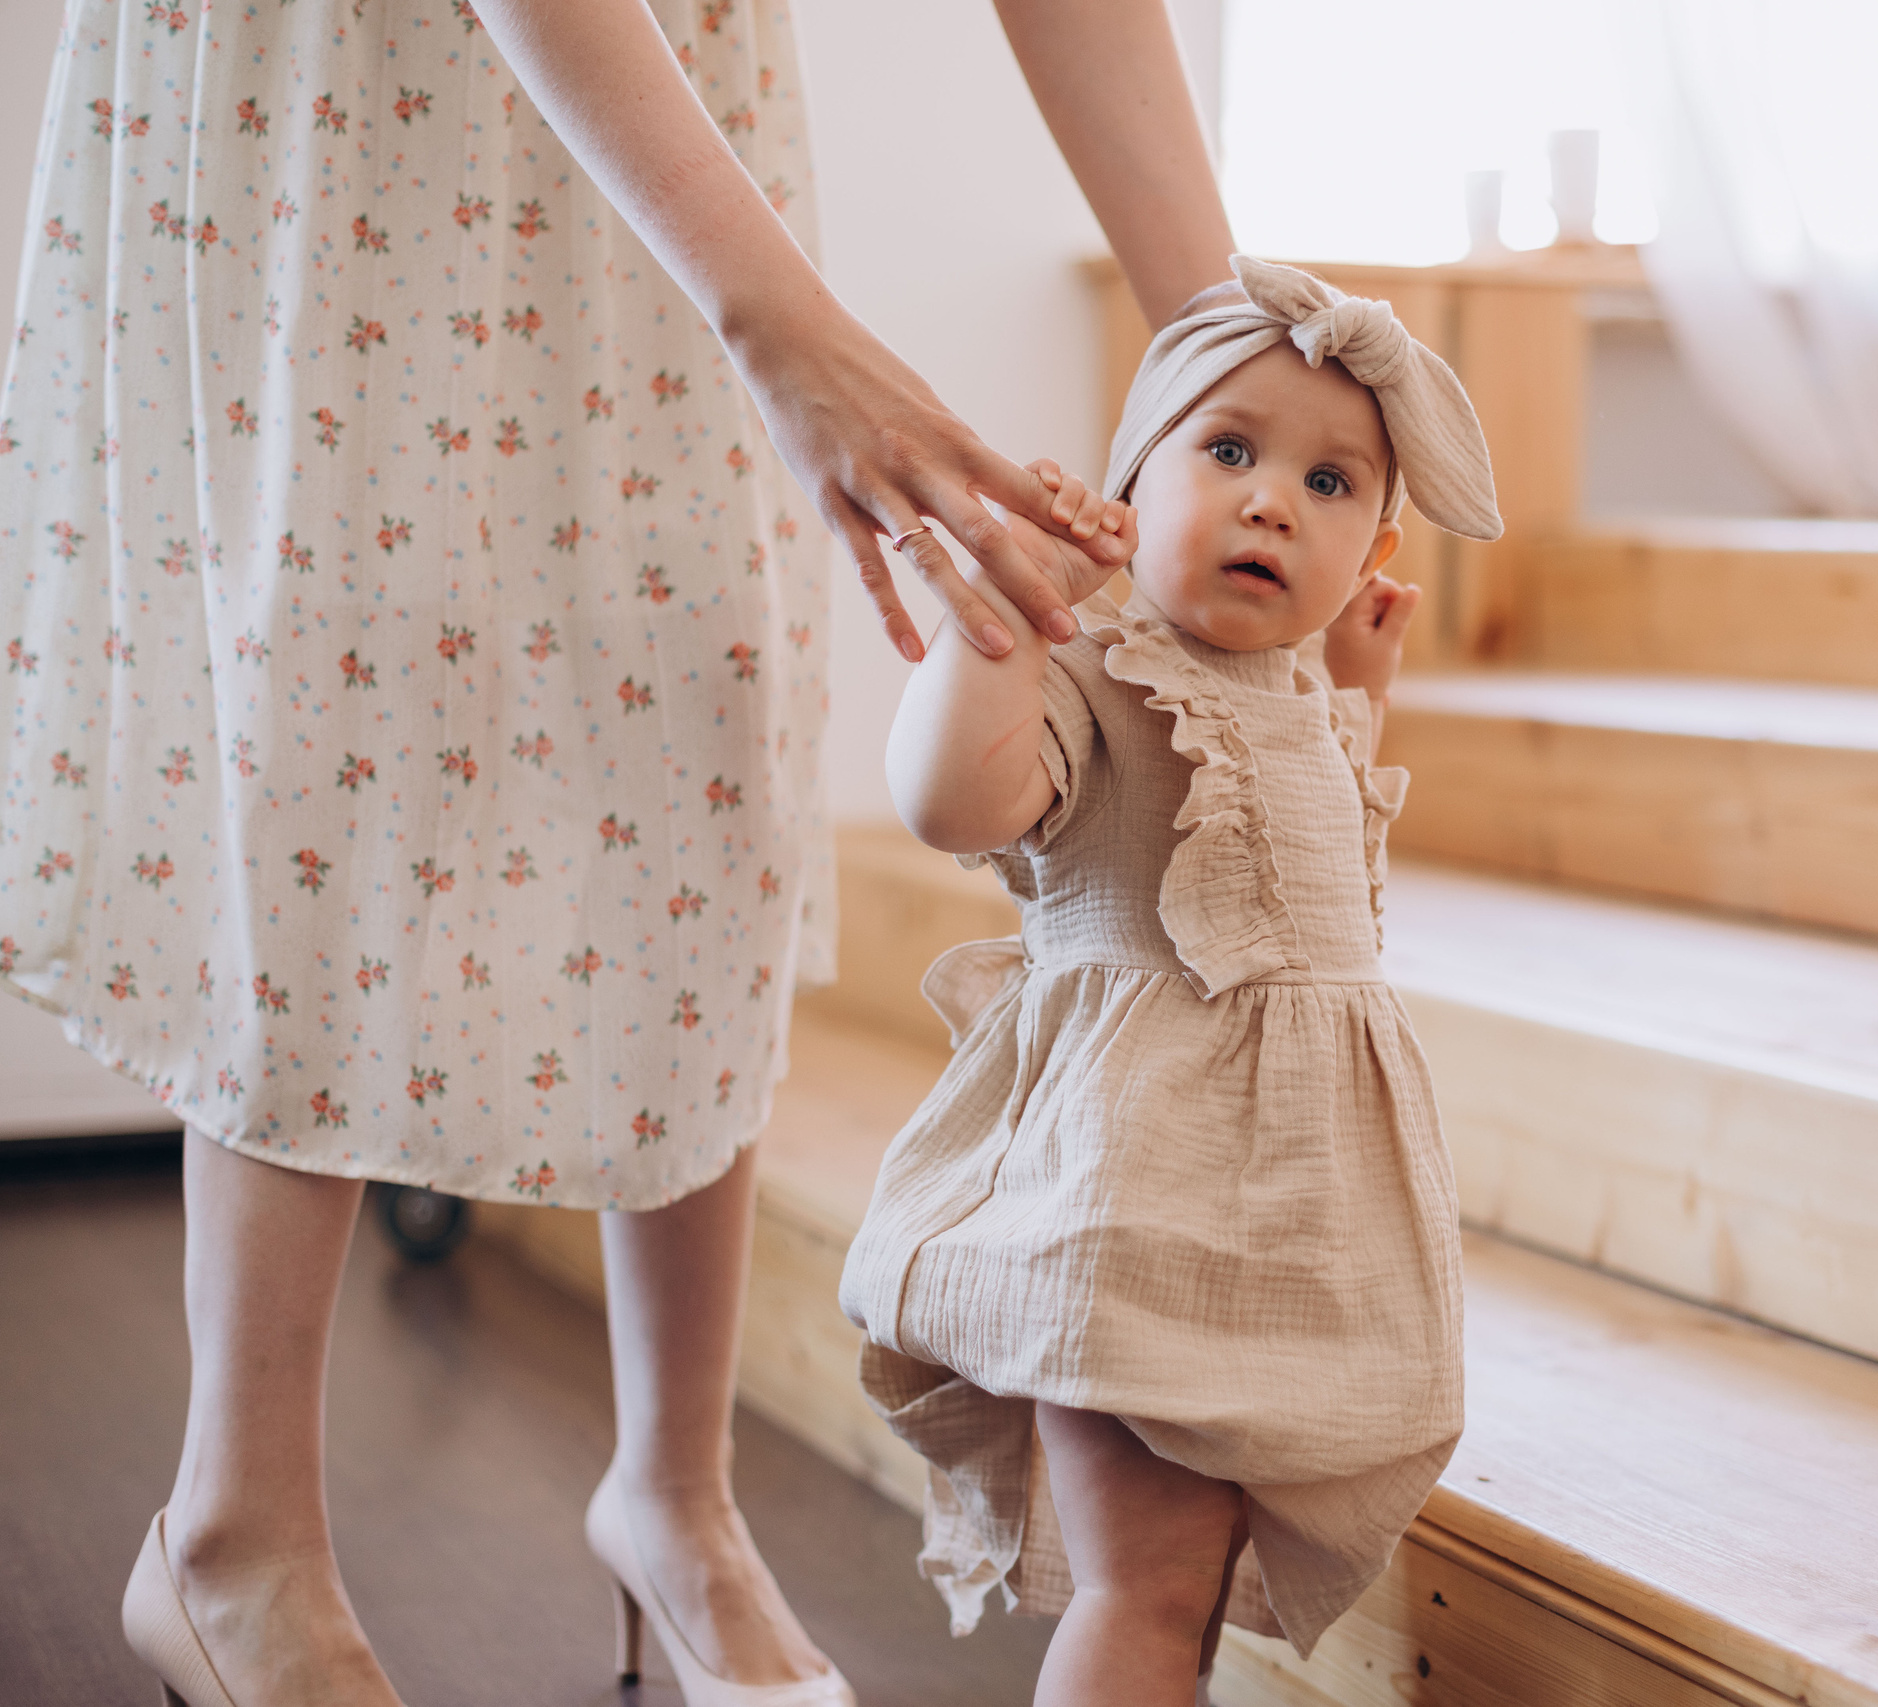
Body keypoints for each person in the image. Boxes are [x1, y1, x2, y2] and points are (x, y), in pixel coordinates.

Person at [0, 0, 1236, 1698]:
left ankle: (676, 1499)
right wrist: (774, 312)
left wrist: (1238, 359)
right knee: (343, 704)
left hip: (672, 76)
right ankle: (236, 1535)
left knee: (704, 693)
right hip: (357, 74)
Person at [839, 257, 1504, 1707]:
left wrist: (1359, 688)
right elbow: (952, 802)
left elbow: (1321, 909)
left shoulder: (1304, 702)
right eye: (1228, 451)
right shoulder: (1097, 674)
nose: (1274, 498)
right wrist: (1008, 621)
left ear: (1378, 542)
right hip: (1133, 1206)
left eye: (1334, 487)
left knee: (1178, 1599)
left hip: (1279, 1225)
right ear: (1125, 490)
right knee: (1144, 1590)